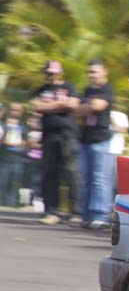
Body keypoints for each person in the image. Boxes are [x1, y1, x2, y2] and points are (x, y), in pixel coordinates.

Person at [30, 59, 80, 225]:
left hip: (68, 135)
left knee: (71, 172)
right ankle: (51, 211)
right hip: (49, 136)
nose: (52, 75)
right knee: (49, 174)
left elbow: (73, 104)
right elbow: (37, 107)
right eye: (49, 72)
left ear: (60, 72)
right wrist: (61, 104)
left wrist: (50, 105)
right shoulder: (41, 89)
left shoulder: (69, 87)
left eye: (54, 72)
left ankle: (76, 211)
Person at [76, 59, 116, 229]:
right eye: (89, 72)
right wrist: (87, 106)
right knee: (86, 179)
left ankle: (101, 215)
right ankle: (87, 215)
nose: (91, 75)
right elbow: (76, 111)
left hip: (101, 139)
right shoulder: (88, 90)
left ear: (104, 71)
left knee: (100, 179)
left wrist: (86, 106)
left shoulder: (108, 89)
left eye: (94, 71)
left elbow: (98, 106)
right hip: (85, 139)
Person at [0, 103, 27, 207]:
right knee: (2, 183)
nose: (15, 112)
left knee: (14, 184)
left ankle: (10, 206)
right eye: (13, 110)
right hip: (4, 157)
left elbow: (26, 141)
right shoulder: (3, 125)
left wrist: (22, 143)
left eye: (17, 110)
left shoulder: (23, 126)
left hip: (18, 159)